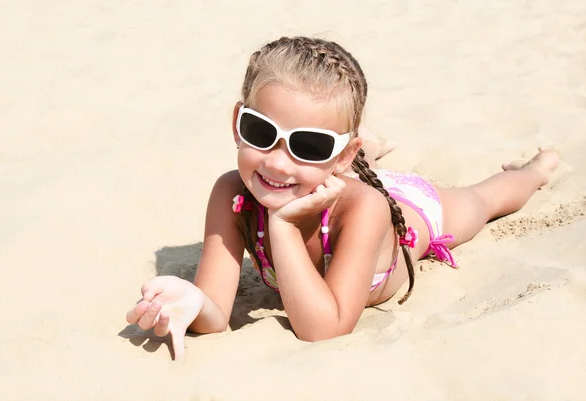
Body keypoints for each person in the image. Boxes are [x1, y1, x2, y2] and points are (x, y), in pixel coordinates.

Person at [125, 36, 559, 361]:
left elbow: (325, 329)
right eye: (262, 133)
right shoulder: (231, 191)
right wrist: (194, 303)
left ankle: (536, 169)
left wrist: (282, 225)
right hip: (327, 180)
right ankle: (353, 151)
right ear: (239, 122)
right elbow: (216, 312)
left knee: (484, 201)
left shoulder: (365, 209)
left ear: (339, 154)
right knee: (302, 175)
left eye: (310, 144)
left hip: (409, 212)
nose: (276, 162)